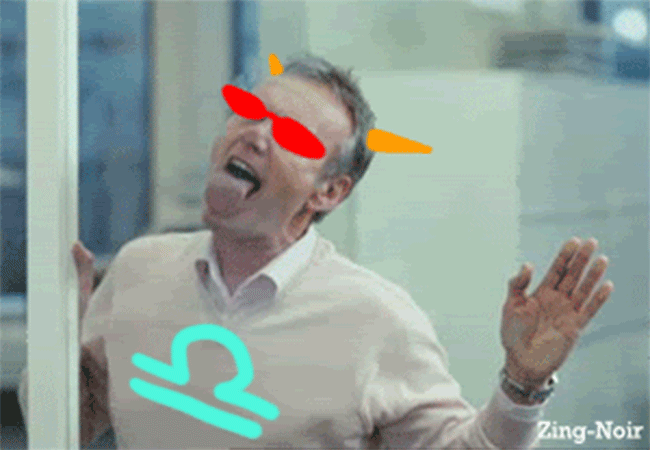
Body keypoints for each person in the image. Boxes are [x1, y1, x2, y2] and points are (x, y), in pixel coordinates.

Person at [19, 53, 614, 449]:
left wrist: (523, 383)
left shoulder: (378, 319)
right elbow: (69, 426)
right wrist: (55, 350)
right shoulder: (138, 269)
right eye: (250, 112)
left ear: (328, 192)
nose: (255, 134)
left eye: (292, 134)